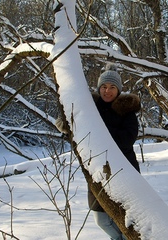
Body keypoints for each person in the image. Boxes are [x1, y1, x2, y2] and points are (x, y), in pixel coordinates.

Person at [56, 62, 141, 240]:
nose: (107, 91)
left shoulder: (127, 111)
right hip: (96, 171)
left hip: (123, 170)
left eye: (111, 87)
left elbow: (126, 140)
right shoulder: (90, 107)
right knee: (101, 219)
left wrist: (98, 131)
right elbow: (75, 123)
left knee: (125, 219)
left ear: (118, 90)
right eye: (103, 86)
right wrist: (67, 123)